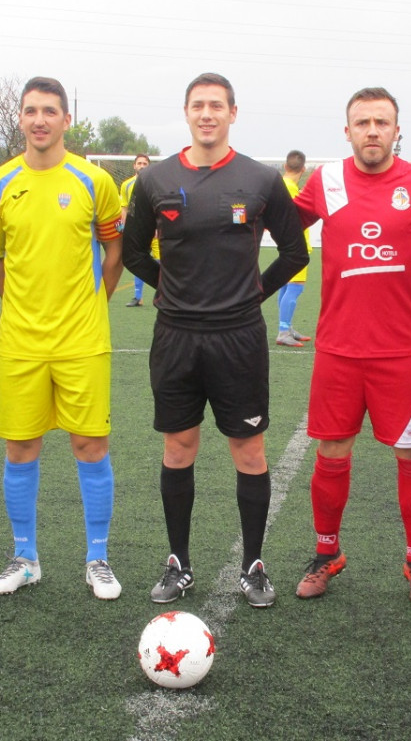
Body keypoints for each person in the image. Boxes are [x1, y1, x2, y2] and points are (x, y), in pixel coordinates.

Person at [122, 72, 309, 608]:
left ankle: (253, 565)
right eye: (198, 106)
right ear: (186, 113)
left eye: (217, 106)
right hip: (177, 336)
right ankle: (178, 563)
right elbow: (135, 253)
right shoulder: (155, 179)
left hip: (238, 338)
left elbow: (295, 253)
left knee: (249, 450)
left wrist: (252, 294)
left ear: (233, 112)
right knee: (179, 447)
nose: (207, 114)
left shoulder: (260, 180)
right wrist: (175, 289)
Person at [292, 87, 411, 607]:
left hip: (402, 350)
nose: (371, 130)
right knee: (331, 450)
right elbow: (279, 224)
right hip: (339, 348)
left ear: (396, 130)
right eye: (362, 122)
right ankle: (327, 554)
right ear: (347, 131)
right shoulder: (326, 180)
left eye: (381, 122)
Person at [0, 76, 124, 600]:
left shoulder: (94, 181)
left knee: (90, 445)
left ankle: (98, 559)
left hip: (82, 339)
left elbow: (114, 250)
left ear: (67, 119)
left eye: (50, 110)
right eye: (30, 110)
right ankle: (25, 558)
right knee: (20, 448)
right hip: (20, 341)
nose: (39, 119)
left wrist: (92, 304)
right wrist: (22, 309)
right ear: (20, 118)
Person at [276, 149, 313, 347]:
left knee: (286, 286)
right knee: (295, 288)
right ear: (303, 168)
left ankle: (286, 327)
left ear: (285, 166)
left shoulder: (281, 184)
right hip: (296, 246)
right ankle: (283, 331)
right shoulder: (290, 188)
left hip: (287, 245)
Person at [119, 154, 160, 307]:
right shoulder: (126, 185)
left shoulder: (156, 183)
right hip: (138, 231)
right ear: (134, 166)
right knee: (138, 259)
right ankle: (137, 297)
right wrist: (126, 229)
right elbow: (125, 208)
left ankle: (164, 293)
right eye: (139, 163)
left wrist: (158, 226)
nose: (142, 166)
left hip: (156, 231)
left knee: (163, 260)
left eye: (145, 163)